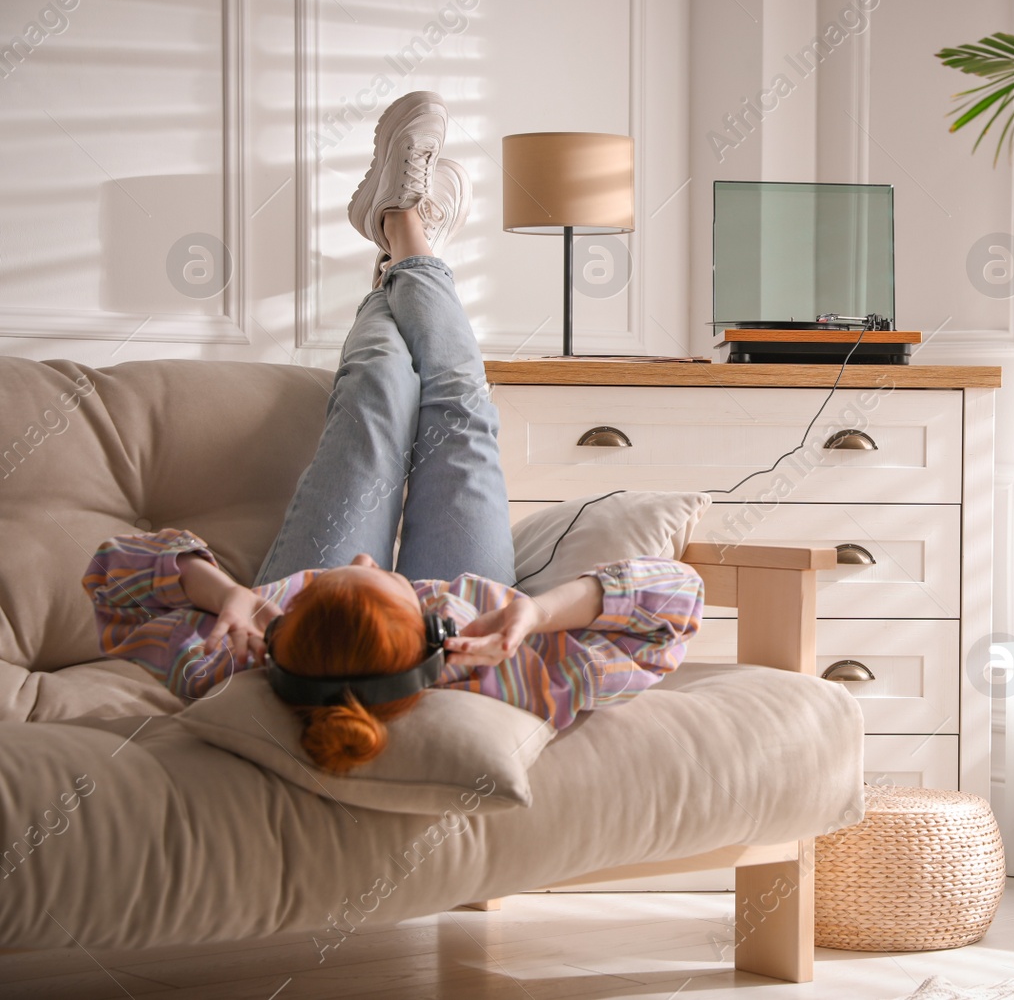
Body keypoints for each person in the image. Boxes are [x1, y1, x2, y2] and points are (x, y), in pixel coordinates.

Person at [82, 91, 703, 773]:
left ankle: (399, 233)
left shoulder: (238, 656)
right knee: (459, 403)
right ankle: (403, 226)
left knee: (381, 388)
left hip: (297, 607)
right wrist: (540, 615)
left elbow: (113, 572)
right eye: (386, 581)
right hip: (475, 597)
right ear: (432, 636)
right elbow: (673, 600)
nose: (369, 559)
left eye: (345, 578)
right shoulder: (504, 668)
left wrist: (233, 597)